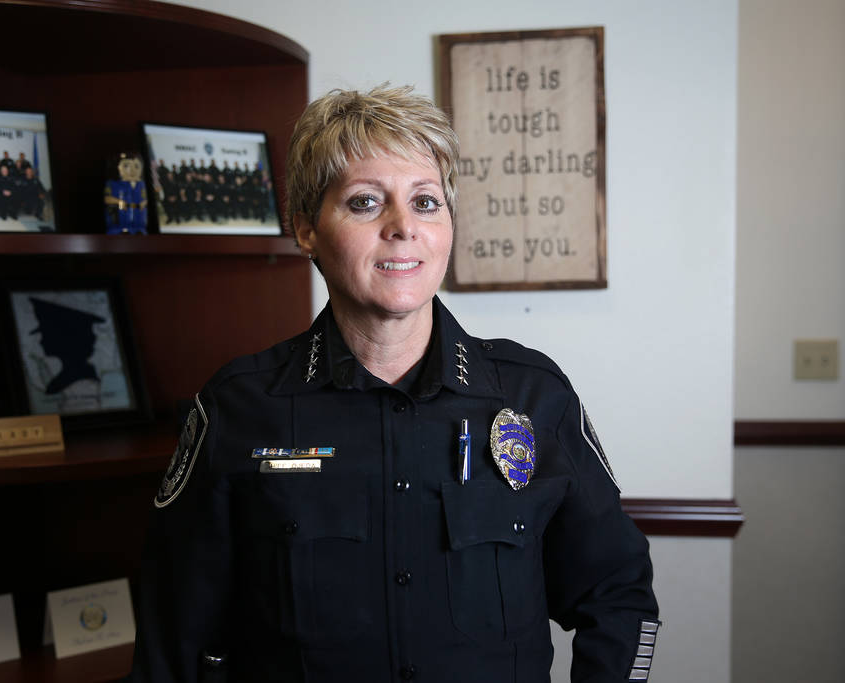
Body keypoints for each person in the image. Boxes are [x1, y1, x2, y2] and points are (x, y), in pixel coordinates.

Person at [131, 84, 660, 683]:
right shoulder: (239, 407)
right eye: (364, 203)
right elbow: (171, 642)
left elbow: (618, 597)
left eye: (426, 202)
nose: (402, 228)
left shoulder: (533, 396)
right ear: (307, 229)